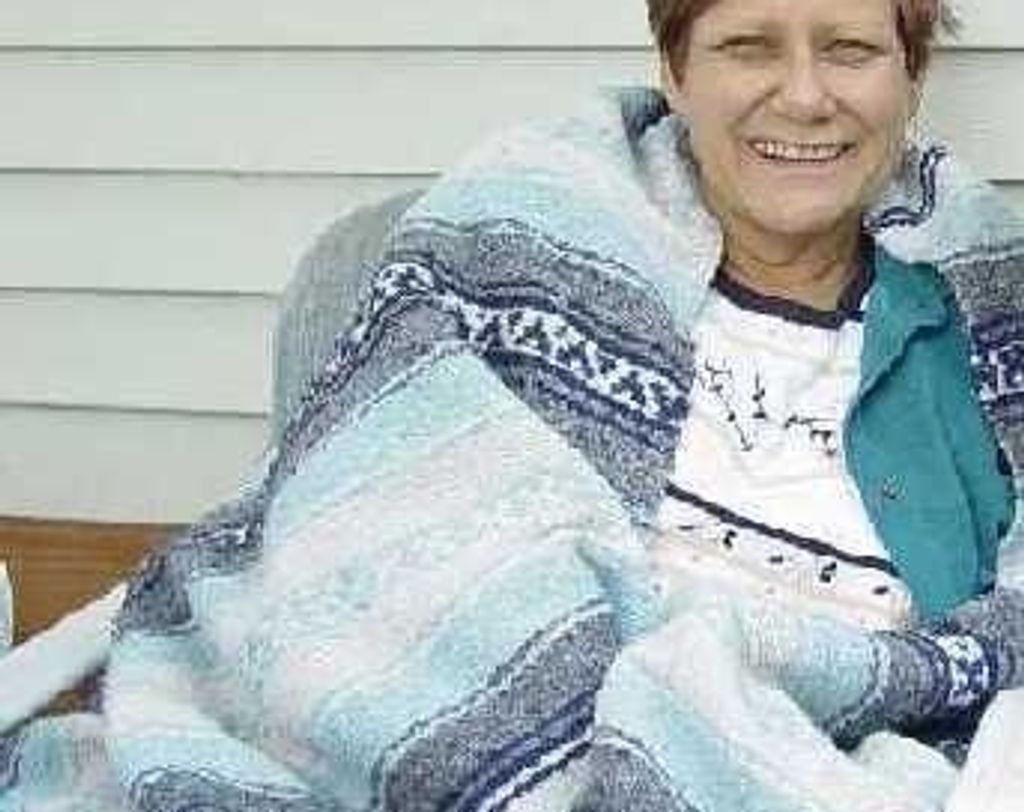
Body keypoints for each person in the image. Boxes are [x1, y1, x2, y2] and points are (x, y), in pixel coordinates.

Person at [3, 0, 1024, 809]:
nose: (802, 96)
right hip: (476, 726)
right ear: (675, 70)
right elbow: (370, 536)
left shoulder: (988, 322)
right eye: (747, 46)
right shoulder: (518, 241)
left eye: (849, 49)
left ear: (910, 77)